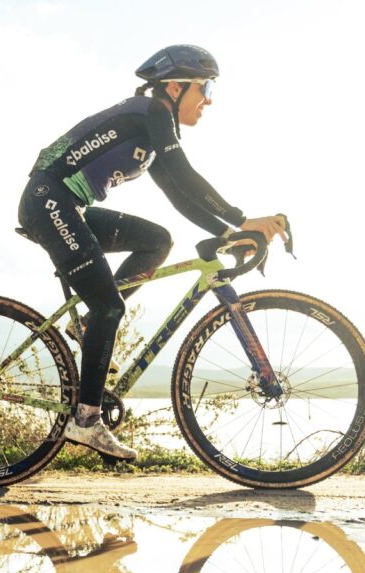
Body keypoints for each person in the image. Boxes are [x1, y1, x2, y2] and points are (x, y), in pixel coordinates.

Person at [16, 44, 287, 460]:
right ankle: (85, 420)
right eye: (205, 87)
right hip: (49, 201)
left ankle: (88, 325)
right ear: (176, 86)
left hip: (67, 205)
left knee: (157, 240)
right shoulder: (153, 113)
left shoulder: (154, 131)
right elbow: (186, 176)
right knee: (111, 306)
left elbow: (179, 196)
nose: (209, 99)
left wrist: (228, 231)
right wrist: (242, 219)